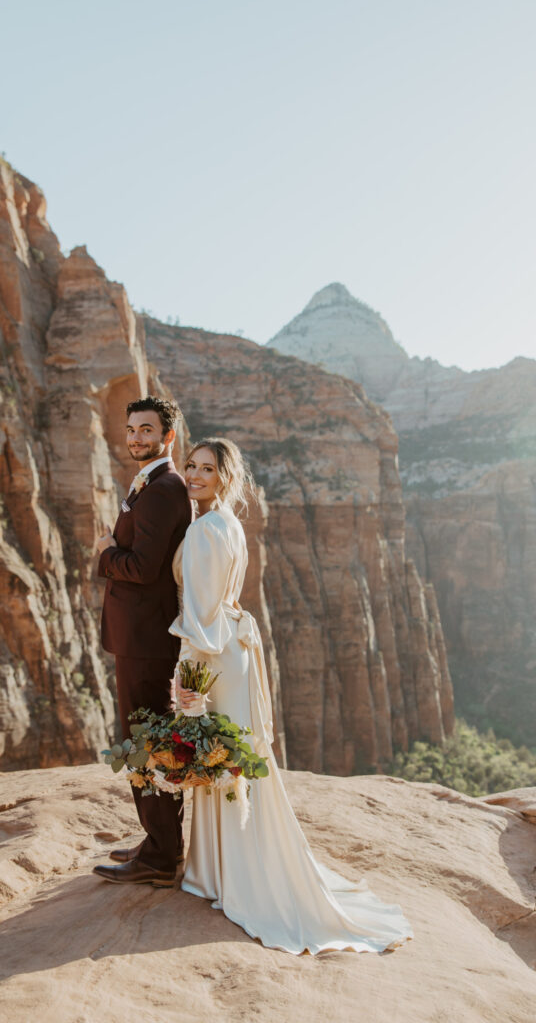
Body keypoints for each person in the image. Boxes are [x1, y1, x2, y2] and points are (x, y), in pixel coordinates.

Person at [170, 437, 414, 954]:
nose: (193, 474)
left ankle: (224, 876)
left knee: (219, 759)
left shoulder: (205, 529)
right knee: (232, 759)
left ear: (225, 477)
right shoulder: (229, 524)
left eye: (206, 468)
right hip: (232, 650)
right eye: (189, 465)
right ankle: (223, 869)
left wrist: (187, 675)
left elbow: (201, 612)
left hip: (214, 656)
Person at [92, 395, 192, 888]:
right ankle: (158, 842)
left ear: (167, 436)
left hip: (146, 639)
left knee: (147, 741)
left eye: (147, 430)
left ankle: (160, 856)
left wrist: (107, 554)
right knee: (146, 739)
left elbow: (142, 567)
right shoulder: (153, 483)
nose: (136, 437)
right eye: (132, 429)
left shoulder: (161, 488)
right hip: (141, 636)